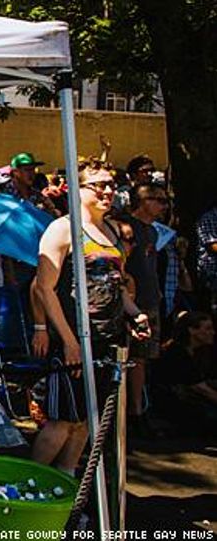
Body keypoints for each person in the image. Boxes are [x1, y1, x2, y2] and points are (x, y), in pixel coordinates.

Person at [31, 158, 150, 480]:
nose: (108, 191)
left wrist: (134, 314)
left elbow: (117, 283)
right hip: (72, 341)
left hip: (108, 341)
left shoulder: (112, 229)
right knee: (62, 420)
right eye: (99, 185)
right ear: (77, 189)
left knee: (90, 419)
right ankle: (32, 483)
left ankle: (67, 479)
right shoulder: (62, 229)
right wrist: (68, 341)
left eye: (111, 184)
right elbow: (44, 288)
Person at [120, 182, 168, 435]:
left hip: (150, 297)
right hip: (131, 298)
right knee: (131, 357)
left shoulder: (152, 232)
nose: (163, 205)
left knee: (143, 357)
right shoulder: (127, 227)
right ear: (142, 201)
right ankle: (132, 411)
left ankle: (139, 408)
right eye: (158, 200)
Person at [152, 311, 216, 433]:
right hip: (171, 402)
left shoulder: (200, 352)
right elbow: (200, 388)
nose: (212, 333)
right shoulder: (177, 353)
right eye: (207, 329)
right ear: (191, 330)